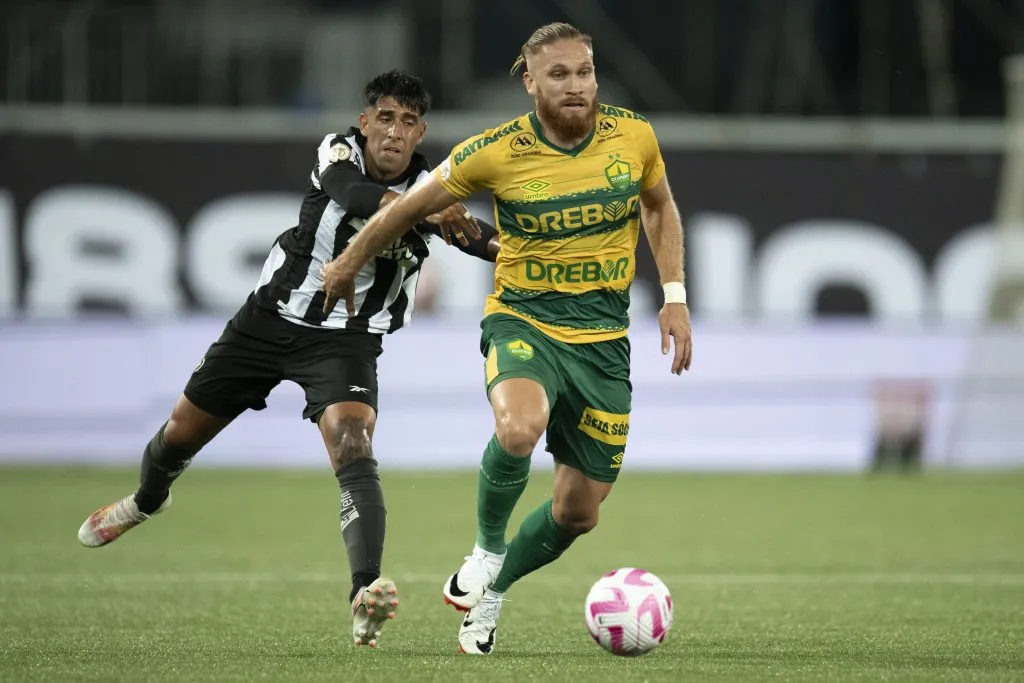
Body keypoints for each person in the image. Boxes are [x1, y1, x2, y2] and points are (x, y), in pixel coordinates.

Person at [76, 70, 499, 649]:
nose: (394, 133)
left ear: (421, 130)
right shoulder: (337, 152)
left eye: (407, 123)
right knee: (179, 433)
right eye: (384, 119)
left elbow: (483, 242)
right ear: (364, 121)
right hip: (268, 320)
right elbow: (352, 197)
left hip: (346, 340)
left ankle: (365, 590)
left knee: (354, 440)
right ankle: (147, 501)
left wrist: (527, 249)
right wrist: (426, 209)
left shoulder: (435, 184)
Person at [319, 23, 693, 655]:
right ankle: (487, 551)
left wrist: (676, 296)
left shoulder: (636, 135)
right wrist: (350, 261)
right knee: (519, 428)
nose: (575, 86)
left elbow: (658, 206)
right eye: (558, 75)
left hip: (604, 341)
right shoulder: (493, 151)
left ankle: (492, 594)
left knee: (578, 513)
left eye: (584, 72)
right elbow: (406, 209)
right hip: (524, 320)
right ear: (529, 81)